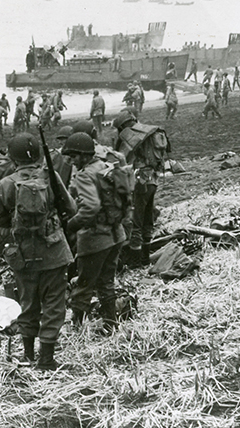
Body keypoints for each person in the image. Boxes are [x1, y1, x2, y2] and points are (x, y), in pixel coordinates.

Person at [0, 133, 76, 370]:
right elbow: (71, 207)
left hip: (24, 256)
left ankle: (28, 354)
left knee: (28, 303)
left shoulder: (6, 184)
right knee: (54, 305)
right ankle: (46, 359)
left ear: (13, 158)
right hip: (54, 252)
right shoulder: (51, 177)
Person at [62, 133, 127, 333]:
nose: (71, 162)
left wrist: (71, 225)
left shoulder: (84, 175)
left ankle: (76, 328)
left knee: (83, 284)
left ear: (83, 155)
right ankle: (110, 324)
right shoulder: (106, 167)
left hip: (96, 238)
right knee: (106, 281)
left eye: (74, 157)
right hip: (116, 233)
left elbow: (90, 208)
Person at [112, 112, 168, 265]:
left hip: (141, 181)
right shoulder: (152, 130)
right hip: (153, 180)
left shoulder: (132, 135)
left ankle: (136, 260)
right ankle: (144, 258)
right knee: (148, 218)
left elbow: (122, 157)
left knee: (137, 221)